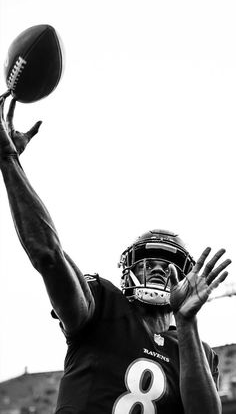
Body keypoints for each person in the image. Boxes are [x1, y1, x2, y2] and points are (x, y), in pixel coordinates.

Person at [0, 92, 232, 414]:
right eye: (149, 262)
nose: (160, 270)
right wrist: (8, 159)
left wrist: (187, 322)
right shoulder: (102, 303)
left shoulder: (198, 352)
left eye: (169, 266)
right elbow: (49, 256)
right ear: (129, 270)